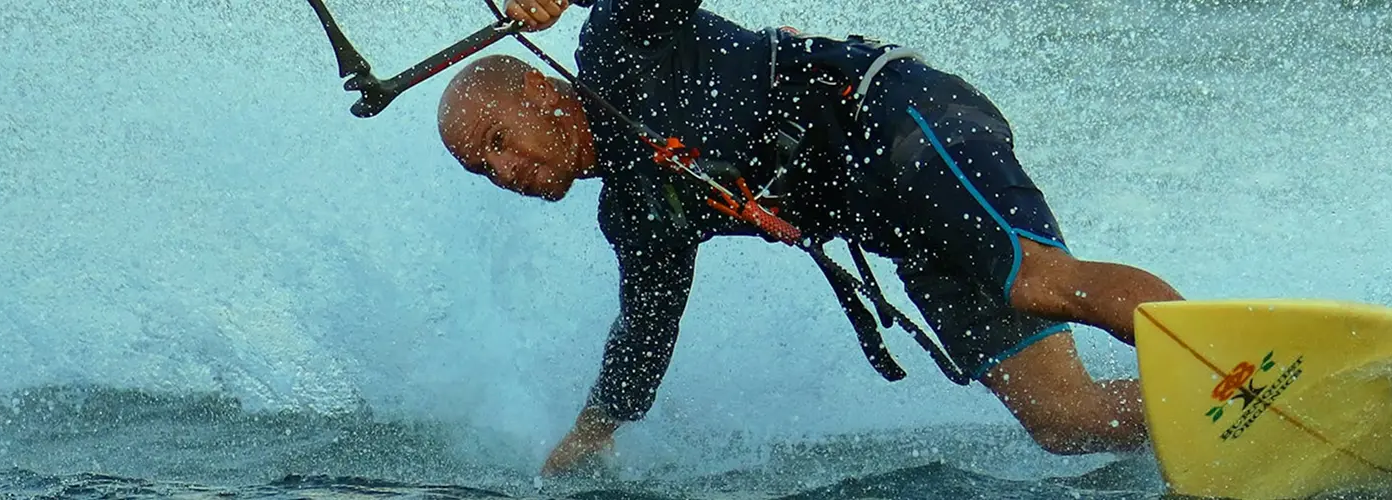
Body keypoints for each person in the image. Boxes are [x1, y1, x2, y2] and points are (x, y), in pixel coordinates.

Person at [435, 0, 1186, 477]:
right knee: (1063, 418)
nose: (504, 170)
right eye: (483, 166)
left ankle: (1224, 362)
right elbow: (645, 331)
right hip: (896, 228)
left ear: (537, 89)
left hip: (895, 120)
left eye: (500, 139)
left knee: (1035, 277)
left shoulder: (618, 45)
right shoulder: (637, 214)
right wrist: (592, 432)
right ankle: (1231, 425)